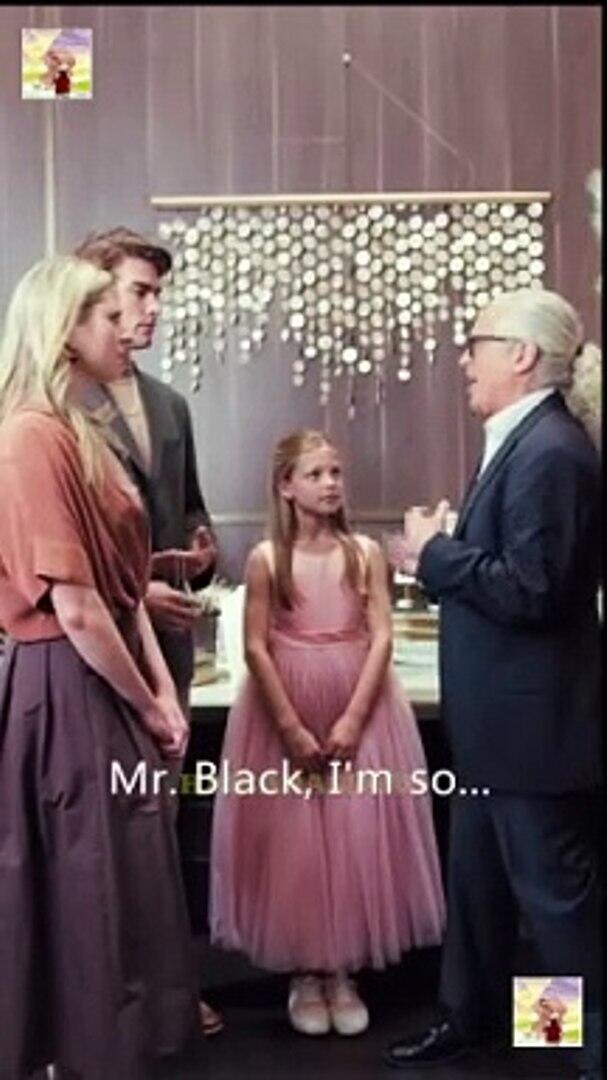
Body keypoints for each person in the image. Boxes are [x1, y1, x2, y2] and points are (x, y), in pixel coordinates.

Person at [383, 288, 601, 1080]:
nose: (463, 360)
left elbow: (534, 590)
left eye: (475, 343)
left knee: (552, 903)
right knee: (478, 893)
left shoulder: (551, 452)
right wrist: (444, 552)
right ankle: (467, 1021)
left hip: (533, 737)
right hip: (494, 731)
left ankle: (578, 1048)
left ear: (520, 355)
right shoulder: (522, 441)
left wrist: (433, 554)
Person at [0, 256, 200, 1079]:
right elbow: (77, 606)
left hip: (104, 678)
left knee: (123, 886)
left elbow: (122, 590)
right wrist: (151, 703)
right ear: (64, 329)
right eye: (109, 316)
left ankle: (116, 1052)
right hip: (68, 684)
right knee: (91, 891)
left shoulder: (76, 430)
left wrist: (160, 693)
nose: (129, 327)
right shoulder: (28, 436)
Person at [210, 429, 445, 1037]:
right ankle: (305, 972)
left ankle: (342, 970)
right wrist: (289, 725)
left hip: (358, 700)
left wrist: (353, 717)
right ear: (286, 486)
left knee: (355, 831)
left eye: (336, 472)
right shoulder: (268, 559)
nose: (331, 483)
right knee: (295, 842)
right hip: (285, 704)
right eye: (315, 474)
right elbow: (256, 645)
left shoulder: (363, 552)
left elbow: (382, 635)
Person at [73, 227, 222, 1037]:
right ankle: (105, 1003)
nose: (153, 308)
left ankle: (164, 995)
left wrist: (199, 551)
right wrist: (136, 592)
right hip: (90, 656)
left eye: (158, 293)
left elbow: (188, 506)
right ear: (90, 294)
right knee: (97, 839)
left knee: (158, 826)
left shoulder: (170, 404)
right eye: (139, 291)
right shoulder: (50, 403)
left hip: (167, 651)